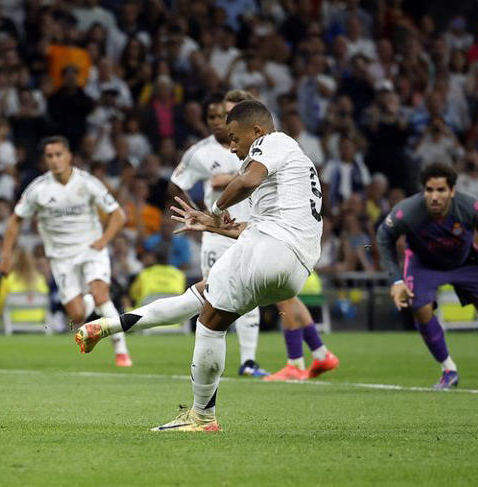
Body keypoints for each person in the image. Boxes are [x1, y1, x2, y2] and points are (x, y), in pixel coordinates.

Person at [76, 100, 324, 431]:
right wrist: (213, 223)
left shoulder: (274, 142)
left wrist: (218, 206)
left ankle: (202, 416)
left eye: (235, 138)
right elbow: (257, 224)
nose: (233, 147)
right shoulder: (295, 167)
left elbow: (247, 181)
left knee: (208, 321)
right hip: (294, 265)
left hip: (271, 248)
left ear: (258, 131)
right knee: (202, 298)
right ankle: (107, 327)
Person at [376, 162, 478, 389]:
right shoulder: (407, 211)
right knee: (421, 309)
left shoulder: (472, 207)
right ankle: (448, 370)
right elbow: (383, 236)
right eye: (429, 190)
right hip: (424, 263)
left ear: (452, 191)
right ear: (423, 191)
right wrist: (396, 280)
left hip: (465, 261)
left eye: (441, 190)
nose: (434, 196)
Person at [0, 135, 132, 367]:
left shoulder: (87, 182)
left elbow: (118, 215)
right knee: (77, 315)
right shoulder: (38, 189)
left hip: (91, 248)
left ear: (69, 155)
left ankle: (121, 350)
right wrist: (7, 254)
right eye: (49, 156)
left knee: (102, 295)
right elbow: (15, 221)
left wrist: (103, 240)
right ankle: (90, 307)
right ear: (45, 159)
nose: (55, 160)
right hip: (60, 257)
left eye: (59, 154)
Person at [168, 90, 268, 377]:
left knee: (250, 294)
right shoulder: (200, 152)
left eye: (225, 115)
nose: (220, 122)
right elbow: (176, 184)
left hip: (251, 229)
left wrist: (229, 179)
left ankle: (248, 362)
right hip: (216, 233)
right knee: (214, 294)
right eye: (215, 116)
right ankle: (208, 361)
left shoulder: (261, 148)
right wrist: (194, 210)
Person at [0, 248, 49, 331]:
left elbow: (0, 303)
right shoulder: (41, 279)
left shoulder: (7, 279)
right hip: (38, 321)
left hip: (12, 322)